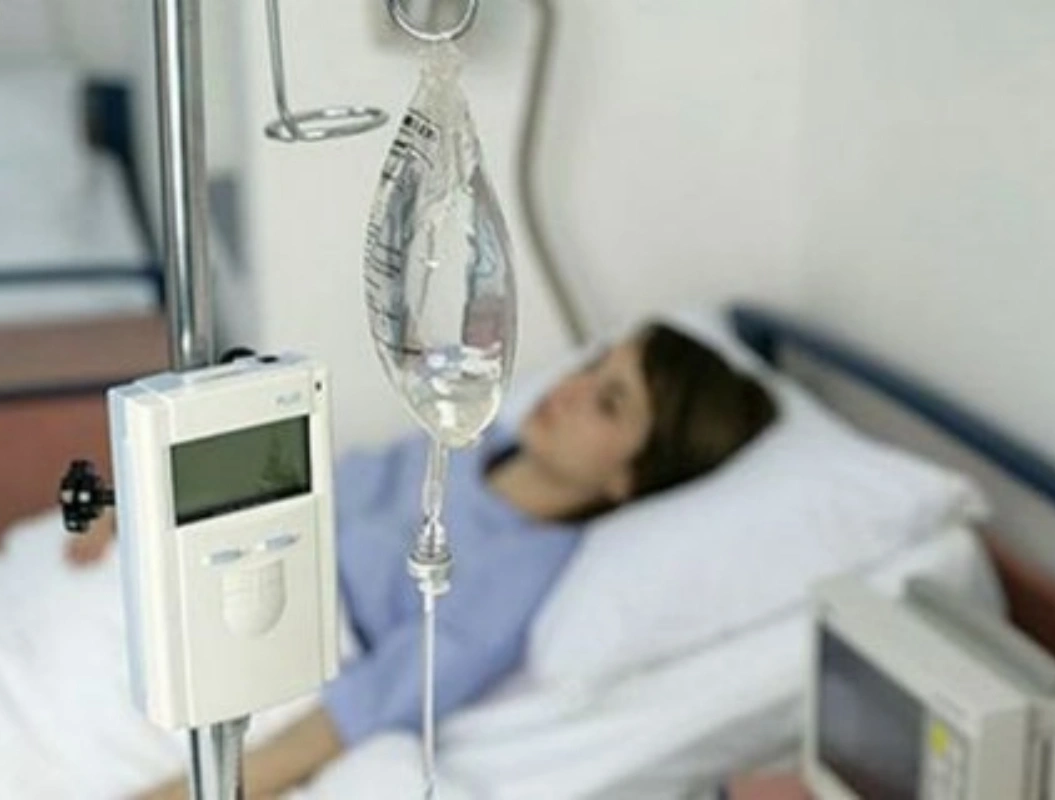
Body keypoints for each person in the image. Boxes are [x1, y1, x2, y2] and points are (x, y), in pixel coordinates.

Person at [134, 321, 778, 799]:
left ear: (628, 480)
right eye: (593, 365)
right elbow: (320, 490)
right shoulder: (470, 442)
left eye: (609, 402)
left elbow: (362, 709)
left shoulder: (521, 570)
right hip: (233, 564)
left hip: (273, 633)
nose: (571, 388)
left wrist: (181, 793)